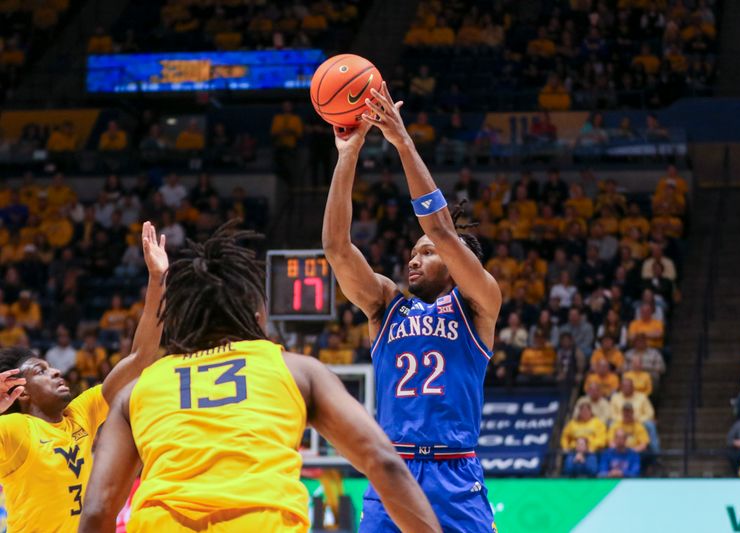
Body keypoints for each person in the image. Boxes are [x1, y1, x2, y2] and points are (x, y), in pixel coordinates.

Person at [79, 222, 440, 533]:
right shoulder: (296, 370)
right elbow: (384, 462)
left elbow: (97, 511)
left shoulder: (136, 391)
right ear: (255, 315)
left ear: (182, 319)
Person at [323, 82, 500, 532]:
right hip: (393, 470)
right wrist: (348, 155)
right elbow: (337, 249)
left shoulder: (478, 303)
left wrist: (402, 142)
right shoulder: (387, 305)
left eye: (427, 253)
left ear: (462, 262)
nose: (414, 258)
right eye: (413, 252)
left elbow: (440, 229)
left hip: (455, 472)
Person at [0, 222, 167, 532]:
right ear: (22, 393)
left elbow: (141, 358)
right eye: (42, 371)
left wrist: (157, 282)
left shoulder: (81, 412)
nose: (57, 371)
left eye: (52, 366)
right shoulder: (14, 429)